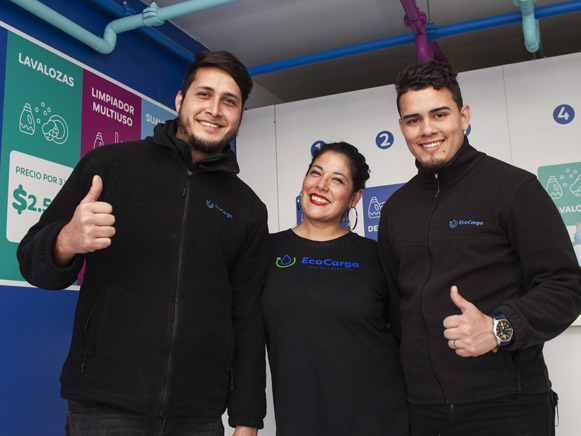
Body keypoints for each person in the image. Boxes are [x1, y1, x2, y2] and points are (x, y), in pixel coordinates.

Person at [17, 50, 268, 436]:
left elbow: (247, 316)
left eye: (229, 101)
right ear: (180, 100)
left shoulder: (248, 208)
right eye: (204, 94)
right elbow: (31, 263)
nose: (215, 109)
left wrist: (248, 419)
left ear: (241, 115)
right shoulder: (109, 165)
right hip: (105, 407)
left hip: (199, 416)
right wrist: (67, 240)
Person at [378, 60, 581, 436]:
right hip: (425, 412)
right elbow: (395, 312)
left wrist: (500, 327)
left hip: (508, 407)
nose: (427, 130)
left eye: (440, 114)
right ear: (402, 127)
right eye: (413, 119)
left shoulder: (515, 189)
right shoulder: (395, 210)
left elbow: (565, 286)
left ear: (464, 116)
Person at [263, 142, 409, 436]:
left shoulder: (377, 256)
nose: (321, 184)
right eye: (316, 173)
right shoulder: (265, 251)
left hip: (379, 419)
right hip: (300, 419)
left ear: (355, 198)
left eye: (337, 179)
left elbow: (403, 331)